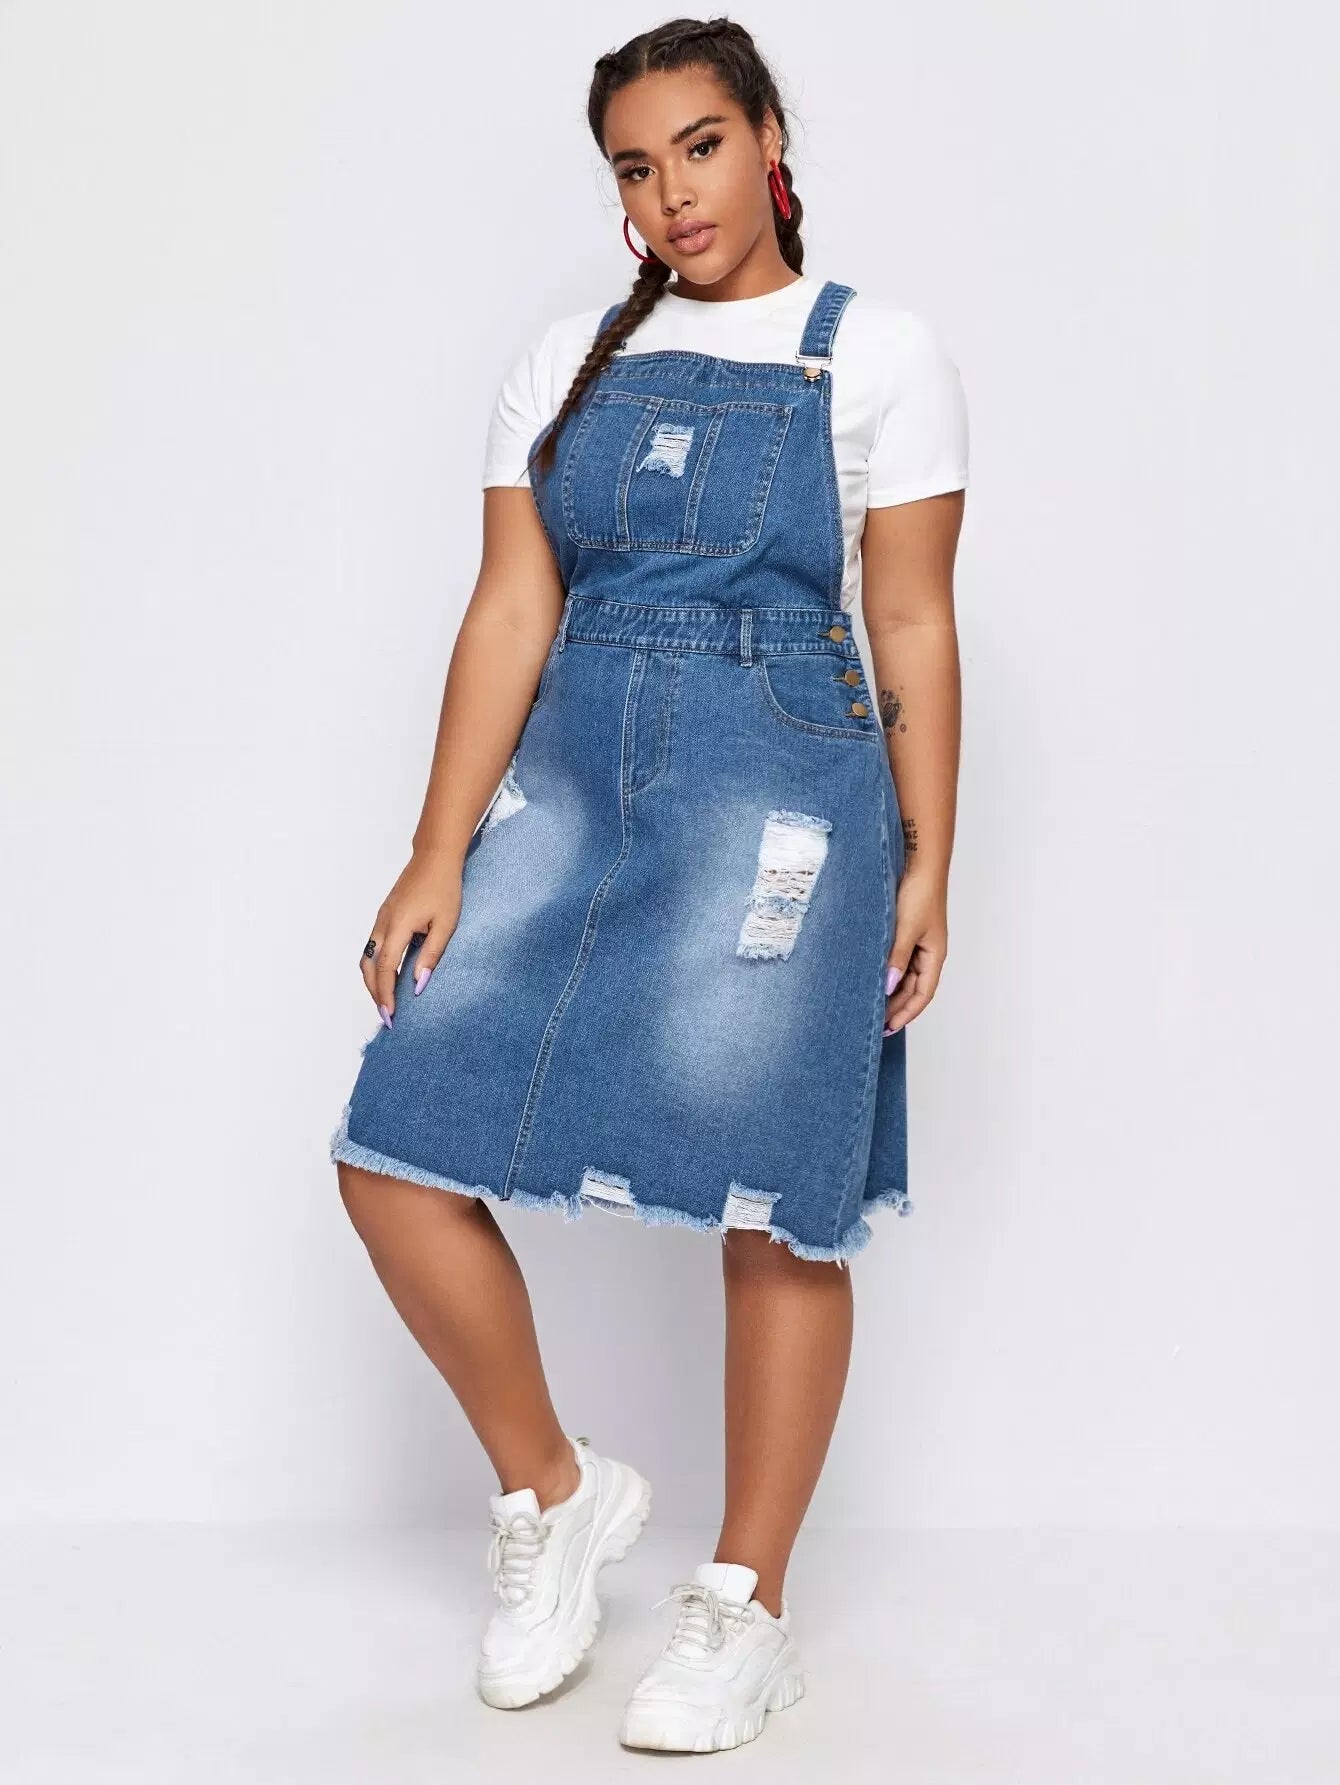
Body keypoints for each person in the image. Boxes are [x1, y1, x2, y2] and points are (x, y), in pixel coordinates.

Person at [330, 15, 967, 1755]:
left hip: (790, 800)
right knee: (392, 1150)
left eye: (701, 145)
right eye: (636, 163)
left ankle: (746, 1601)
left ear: (769, 141)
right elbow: (510, 607)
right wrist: (437, 846)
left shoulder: (880, 353)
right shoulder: (565, 360)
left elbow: (911, 616)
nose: (674, 191)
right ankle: (555, 1493)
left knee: (778, 1198)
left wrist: (930, 857)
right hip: (579, 785)